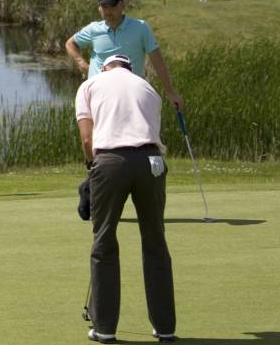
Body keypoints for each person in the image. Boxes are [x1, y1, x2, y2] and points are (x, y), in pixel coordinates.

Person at [75, 54, 176, 344]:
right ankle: (165, 327)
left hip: (110, 161)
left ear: (104, 67)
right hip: (151, 162)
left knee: (104, 242)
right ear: (129, 68)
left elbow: (86, 140)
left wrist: (91, 169)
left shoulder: (90, 85)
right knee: (155, 241)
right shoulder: (147, 87)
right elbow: (151, 132)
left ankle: (105, 328)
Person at [65, 0, 182, 109]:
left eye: (113, 6)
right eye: (104, 6)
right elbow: (70, 43)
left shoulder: (140, 28)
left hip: (129, 96)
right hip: (97, 95)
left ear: (122, 4)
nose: (108, 11)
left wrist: (170, 92)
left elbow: (158, 61)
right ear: (99, 8)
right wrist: (82, 64)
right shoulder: (94, 29)